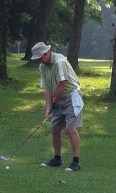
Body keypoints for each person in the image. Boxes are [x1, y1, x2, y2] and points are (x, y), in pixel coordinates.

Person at [29, 41, 83, 171]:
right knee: (55, 129)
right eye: (37, 58)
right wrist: (48, 108)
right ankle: (57, 159)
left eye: (40, 57)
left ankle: (76, 162)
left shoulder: (60, 61)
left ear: (46, 53)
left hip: (71, 96)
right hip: (57, 97)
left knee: (70, 129)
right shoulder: (42, 67)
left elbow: (61, 85)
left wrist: (55, 104)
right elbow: (47, 88)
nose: (39, 60)